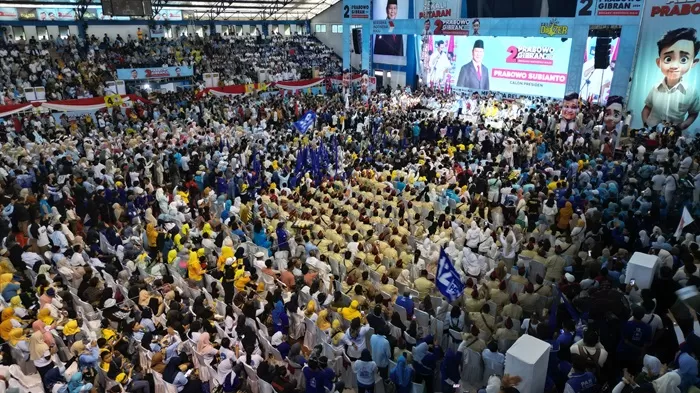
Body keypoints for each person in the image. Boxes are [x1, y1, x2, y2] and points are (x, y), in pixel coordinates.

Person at [641, 28, 700, 130]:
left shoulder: (691, 92)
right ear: (659, 62)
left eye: (683, 59)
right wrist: (646, 123)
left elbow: (694, 113)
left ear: (693, 62)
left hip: (672, 135)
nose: (674, 65)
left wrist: (683, 125)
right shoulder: (655, 88)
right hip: (650, 132)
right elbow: (647, 108)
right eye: (668, 59)